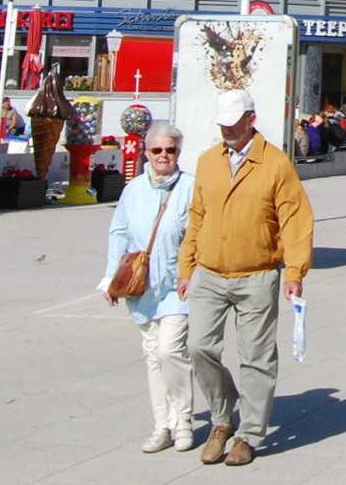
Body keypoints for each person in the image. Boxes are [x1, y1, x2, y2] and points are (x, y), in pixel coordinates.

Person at [176, 90, 315, 465]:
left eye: (235, 125)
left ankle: (249, 434)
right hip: (209, 272)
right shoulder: (208, 162)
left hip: (256, 275)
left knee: (256, 357)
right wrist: (186, 267)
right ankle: (222, 418)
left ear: (251, 120)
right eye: (223, 126)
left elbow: (295, 219)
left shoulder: (274, 164)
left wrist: (294, 271)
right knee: (198, 347)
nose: (228, 132)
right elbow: (197, 217)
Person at [103, 123, 199, 451]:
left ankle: (183, 420)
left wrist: (194, 274)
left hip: (176, 285)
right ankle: (162, 425)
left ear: (178, 154)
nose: (163, 156)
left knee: (170, 350)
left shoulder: (189, 187)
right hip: (141, 288)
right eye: (157, 150)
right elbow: (119, 232)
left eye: (169, 151)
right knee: (152, 356)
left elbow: (199, 234)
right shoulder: (134, 189)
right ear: (147, 152)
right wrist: (110, 279)